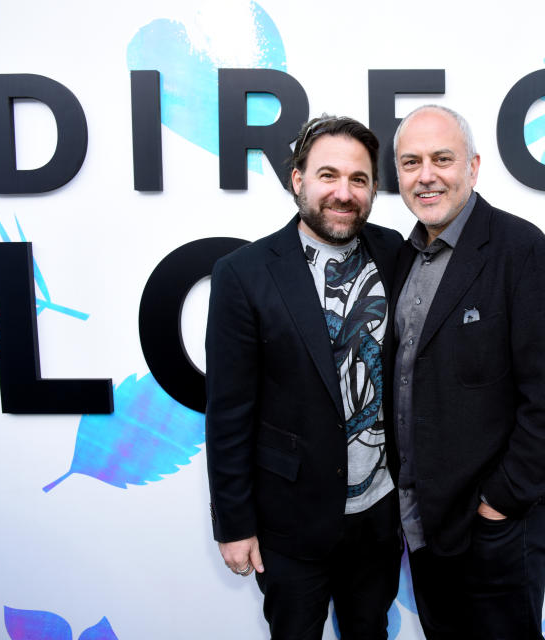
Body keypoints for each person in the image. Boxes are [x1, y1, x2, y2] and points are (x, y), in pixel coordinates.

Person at [389, 105, 545, 639]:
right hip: (423, 522)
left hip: (496, 527)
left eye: (442, 159)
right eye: (411, 162)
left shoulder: (523, 252)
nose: (426, 175)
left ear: (473, 168)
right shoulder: (403, 258)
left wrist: (498, 506)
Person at [205, 115, 404, 639]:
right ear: (298, 180)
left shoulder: (396, 254)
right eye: (328, 175)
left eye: (359, 180)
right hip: (288, 521)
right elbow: (228, 411)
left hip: (379, 513)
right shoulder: (243, 273)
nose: (344, 192)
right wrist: (235, 524)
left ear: (374, 189)